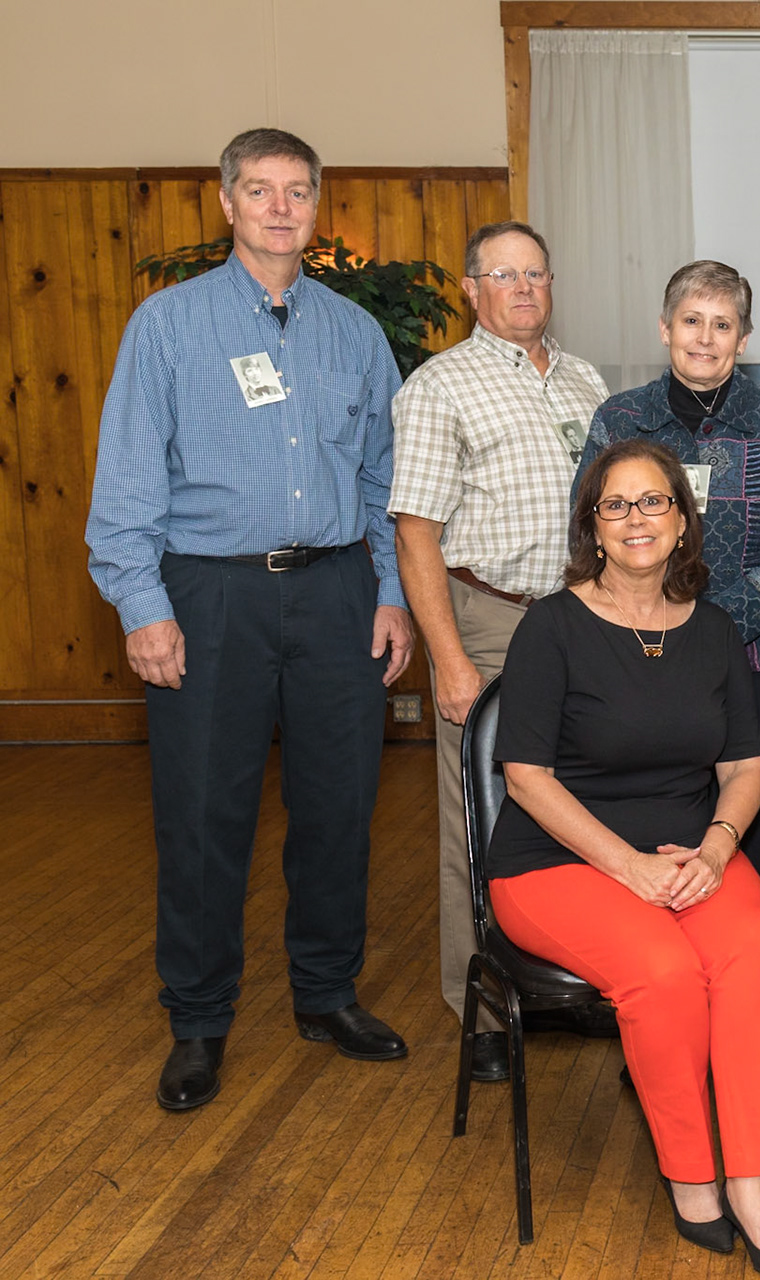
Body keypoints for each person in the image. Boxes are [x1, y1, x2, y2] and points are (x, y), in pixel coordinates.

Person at [85, 127, 414, 1113]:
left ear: (317, 206)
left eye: (297, 190)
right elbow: (127, 480)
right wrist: (143, 606)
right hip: (209, 593)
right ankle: (197, 1018)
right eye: (259, 189)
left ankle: (327, 992)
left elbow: (385, 478)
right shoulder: (167, 326)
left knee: (339, 806)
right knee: (201, 813)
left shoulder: (355, 333)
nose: (280, 207)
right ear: (226, 203)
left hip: (338, 591)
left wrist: (391, 592)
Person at [488, 439, 760, 1280]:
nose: (637, 519)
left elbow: (746, 764)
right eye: (616, 505)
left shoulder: (714, 629)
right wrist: (627, 866)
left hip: (691, 850)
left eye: (654, 501)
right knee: (664, 974)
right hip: (557, 859)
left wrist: (718, 847)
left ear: (682, 520)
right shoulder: (550, 628)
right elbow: (525, 777)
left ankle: (752, 1181)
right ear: (592, 525)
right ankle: (691, 1175)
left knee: (756, 956)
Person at [390, 220, 612, 1084]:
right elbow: (416, 535)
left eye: (535, 274)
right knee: (479, 815)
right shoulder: (439, 386)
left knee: (584, 801)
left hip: (584, 622)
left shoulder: (586, 381)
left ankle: (572, 984)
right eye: (503, 275)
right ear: (471, 289)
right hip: (491, 619)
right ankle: (481, 1008)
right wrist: (449, 660)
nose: (523, 289)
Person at [579, 261, 760, 899]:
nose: (705, 338)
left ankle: (756, 944)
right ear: (665, 328)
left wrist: (711, 625)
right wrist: (654, 621)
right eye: (692, 321)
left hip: (757, 660)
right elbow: (589, 529)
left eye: (723, 324)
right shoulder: (620, 420)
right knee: (653, 818)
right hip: (636, 655)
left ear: (744, 338)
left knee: (752, 829)